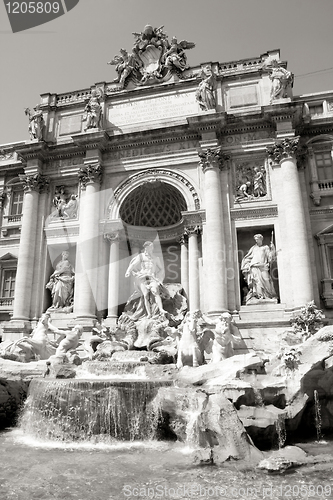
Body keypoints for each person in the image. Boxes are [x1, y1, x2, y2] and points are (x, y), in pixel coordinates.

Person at [125, 241, 168, 318]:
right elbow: (133, 264)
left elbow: (161, 269)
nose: (152, 248)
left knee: (155, 291)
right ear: (146, 248)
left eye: (152, 247)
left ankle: (161, 309)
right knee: (146, 295)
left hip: (152, 277)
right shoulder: (141, 256)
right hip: (143, 277)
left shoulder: (156, 258)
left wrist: (158, 278)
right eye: (150, 247)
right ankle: (149, 314)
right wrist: (128, 271)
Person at [241, 234, 277, 304]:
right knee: (257, 282)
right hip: (254, 266)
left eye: (258, 239)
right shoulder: (253, 248)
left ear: (261, 239)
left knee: (266, 280)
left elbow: (270, 257)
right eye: (255, 239)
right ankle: (259, 296)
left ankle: (268, 296)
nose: (256, 241)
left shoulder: (265, 247)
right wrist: (246, 265)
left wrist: (273, 249)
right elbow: (248, 257)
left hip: (263, 266)